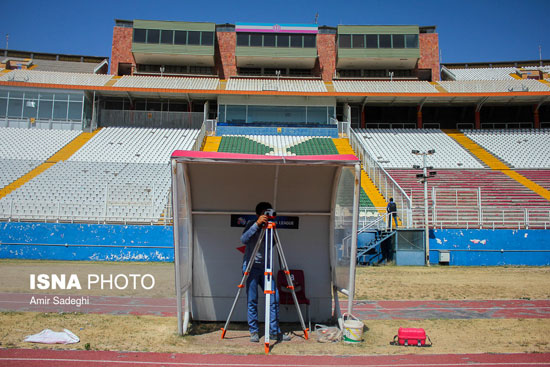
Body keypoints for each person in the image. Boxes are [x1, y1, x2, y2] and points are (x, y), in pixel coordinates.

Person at [241, 201, 290, 343]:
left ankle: (275, 331)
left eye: (268, 213)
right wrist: (257, 225)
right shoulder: (251, 225)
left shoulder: (271, 228)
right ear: (258, 214)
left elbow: (274, 244)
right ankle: (254, 331)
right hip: (251, 267)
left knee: (274, 299)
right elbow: (244, 239)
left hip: (265, 268)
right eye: (264, 213)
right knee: (252, 300)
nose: (267, 216)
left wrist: (271, 230)